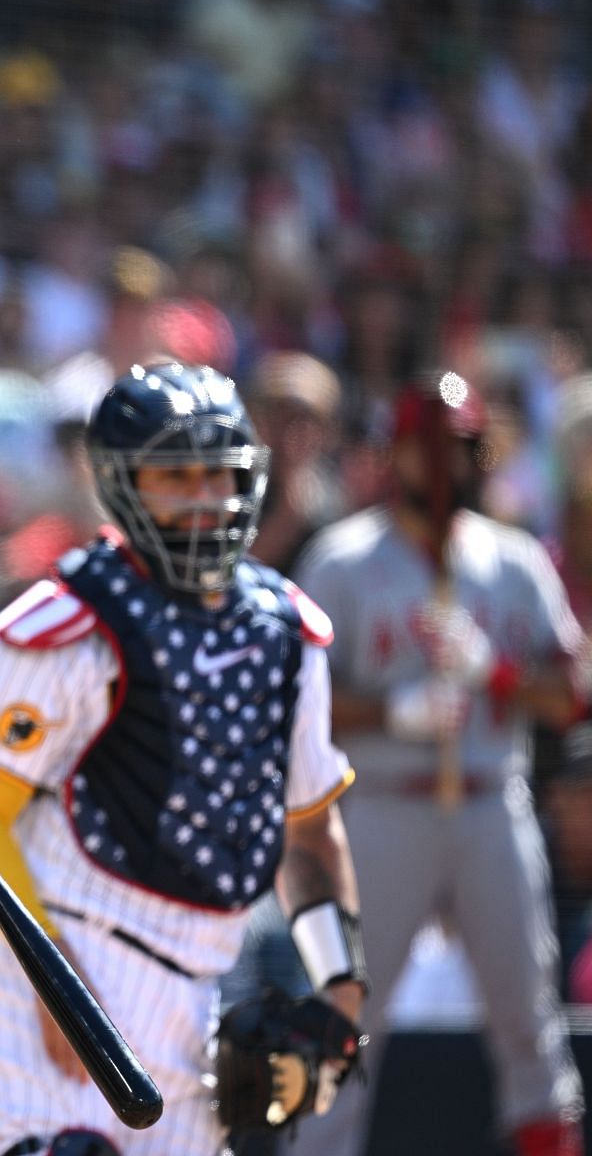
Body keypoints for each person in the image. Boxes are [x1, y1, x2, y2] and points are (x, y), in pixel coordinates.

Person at [0, 363, 363, 1155]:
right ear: (121, 483)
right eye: (176, 476)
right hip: (65, 948)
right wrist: (52, 979)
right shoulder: (69, 622)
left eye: (221, 474)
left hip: (203, 984)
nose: (205, 498)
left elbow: (311, 829)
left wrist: (343, 996)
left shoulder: (287, 632)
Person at [294, 372, 587, 1156]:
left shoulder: (514, 559)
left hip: (493, 800)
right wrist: (397, 709)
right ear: (395, 455)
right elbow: (297, 699)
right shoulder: (345, 558)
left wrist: (492, 674)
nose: (440, 464)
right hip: (383, 804)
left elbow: (571, 697)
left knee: (531, 1025)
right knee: (346, 1021)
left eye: (455, 448)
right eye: (426, 449)